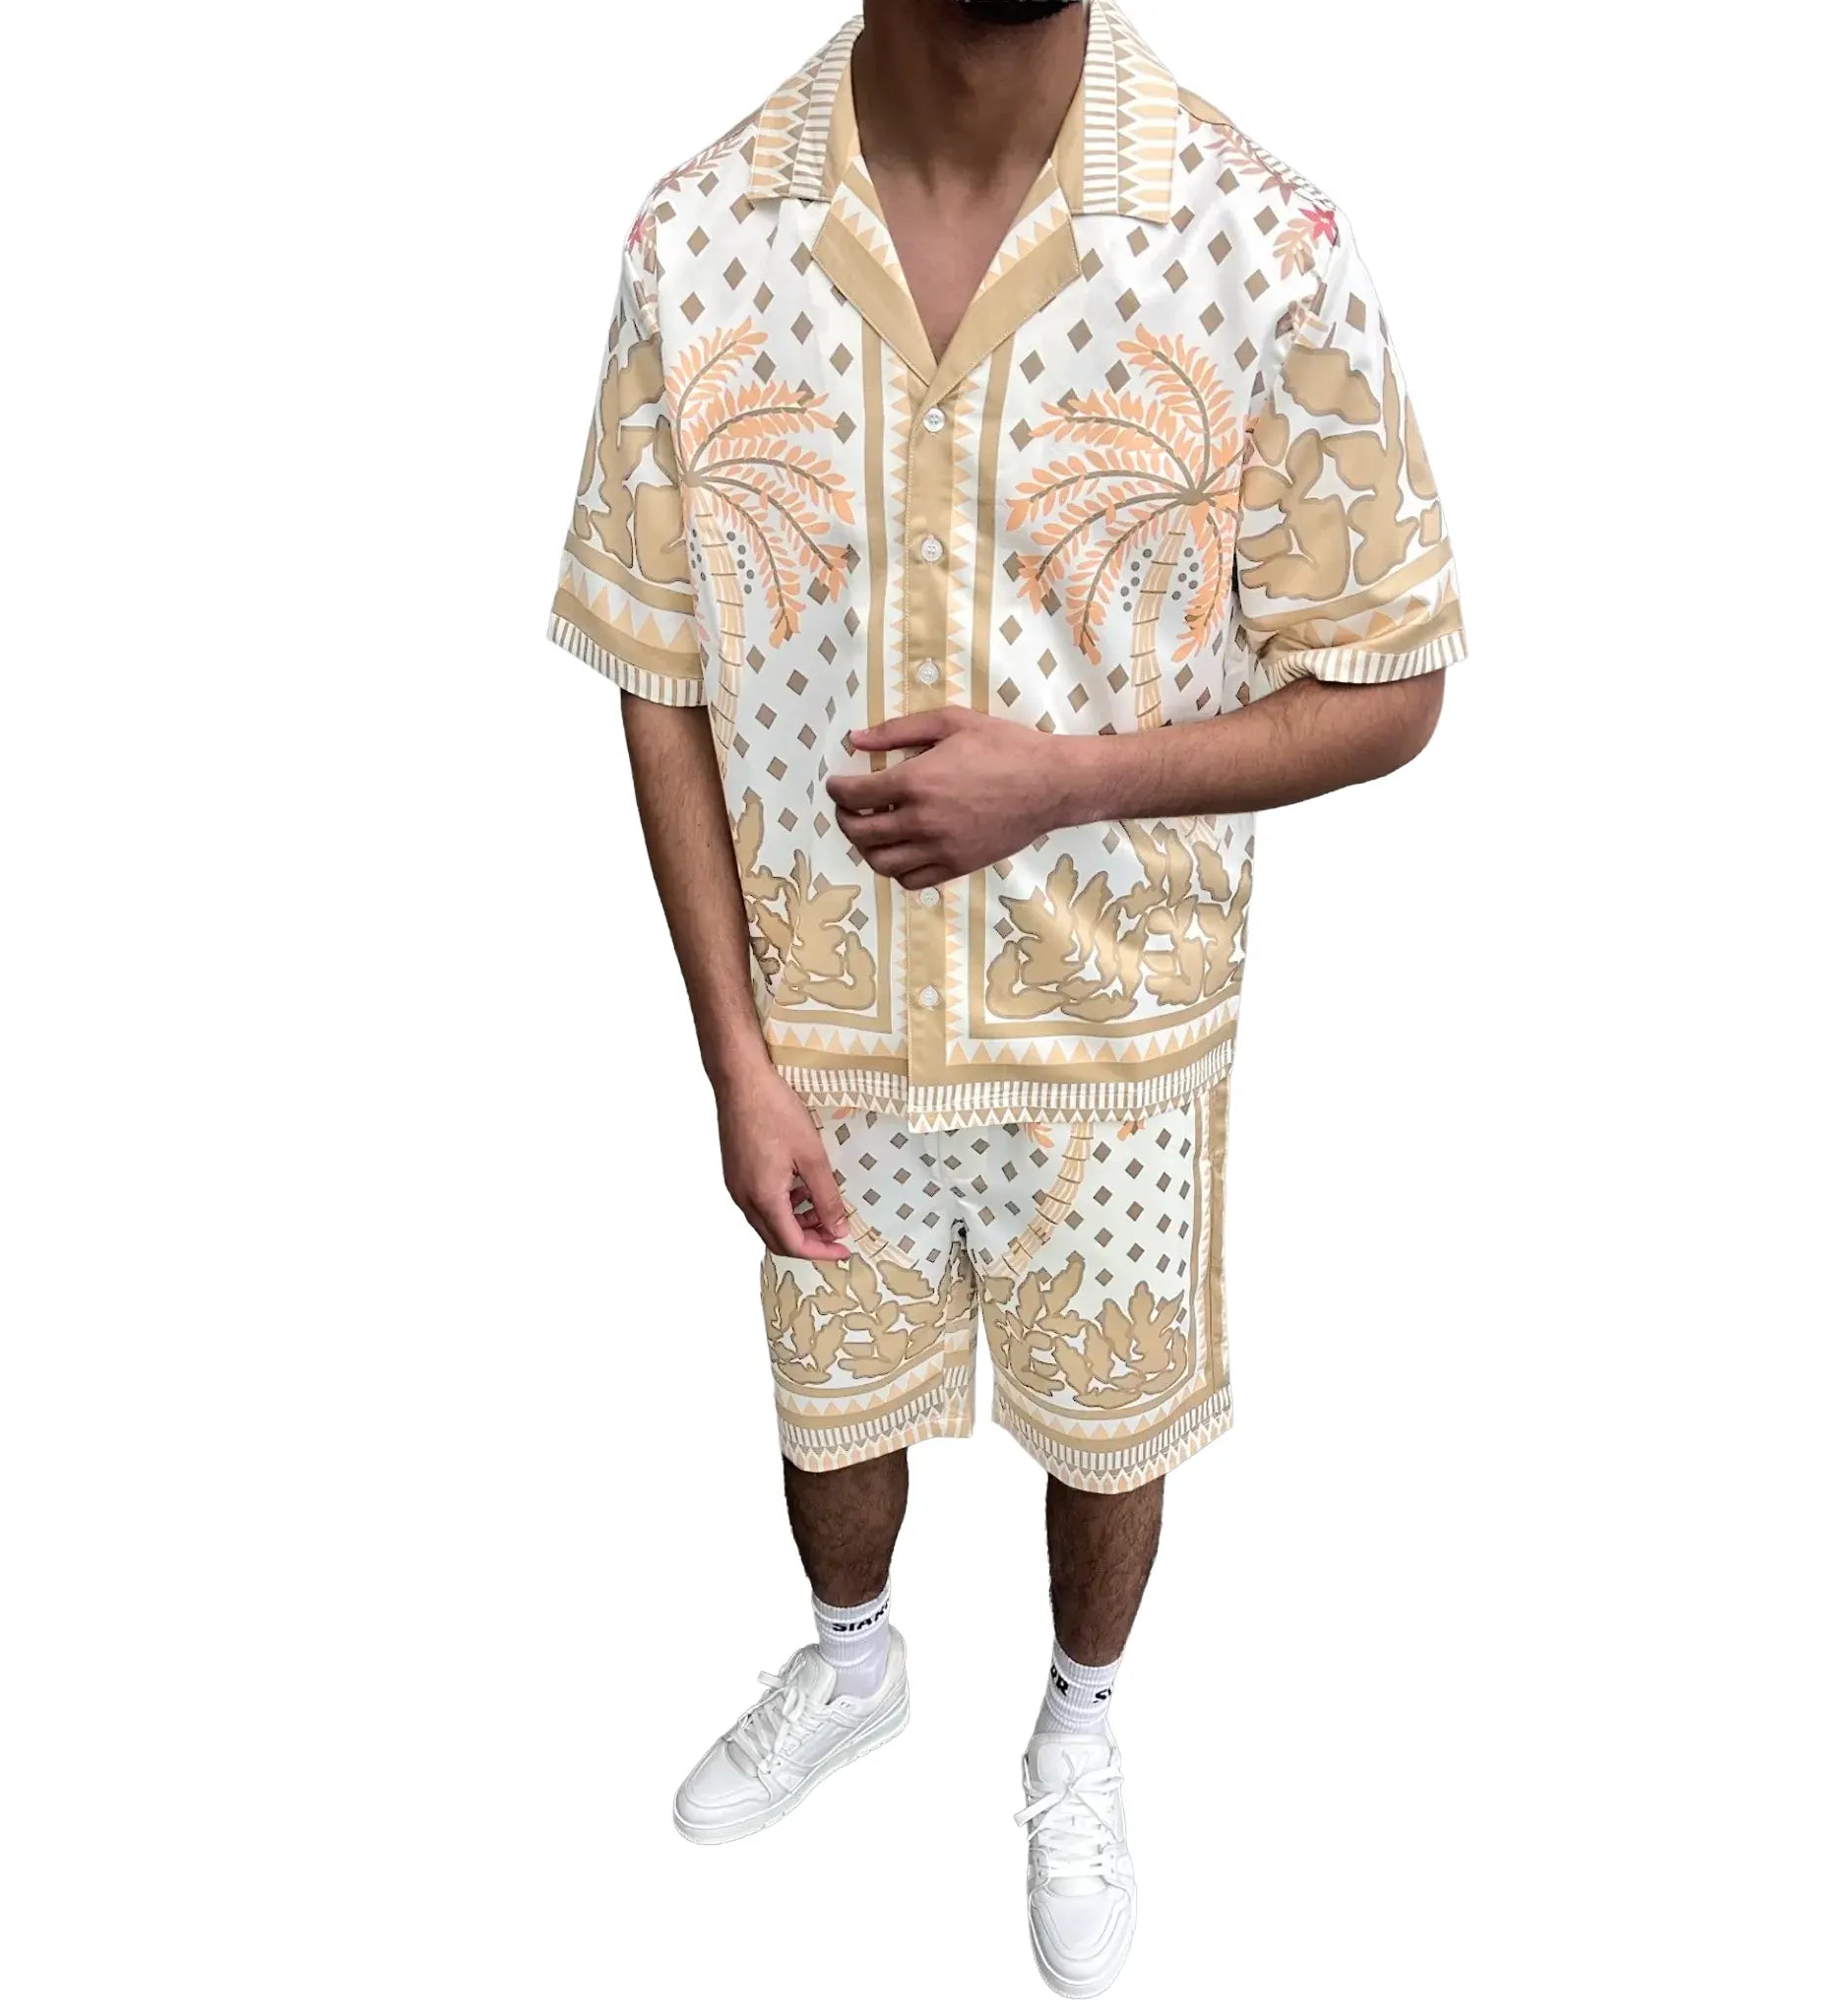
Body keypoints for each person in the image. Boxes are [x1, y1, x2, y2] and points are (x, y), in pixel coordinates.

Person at [547, 0, 1463, 1993]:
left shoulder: (1260, 241)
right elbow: (658, 668)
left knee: (1107, 1431)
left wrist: (1065, 782)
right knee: (826, 1401)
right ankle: (853, 1661)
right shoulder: (696, 241)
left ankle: (1079, 1723)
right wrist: (730, 1059)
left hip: (1114, 1034)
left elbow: (1391, 678)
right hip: (819, 1027)